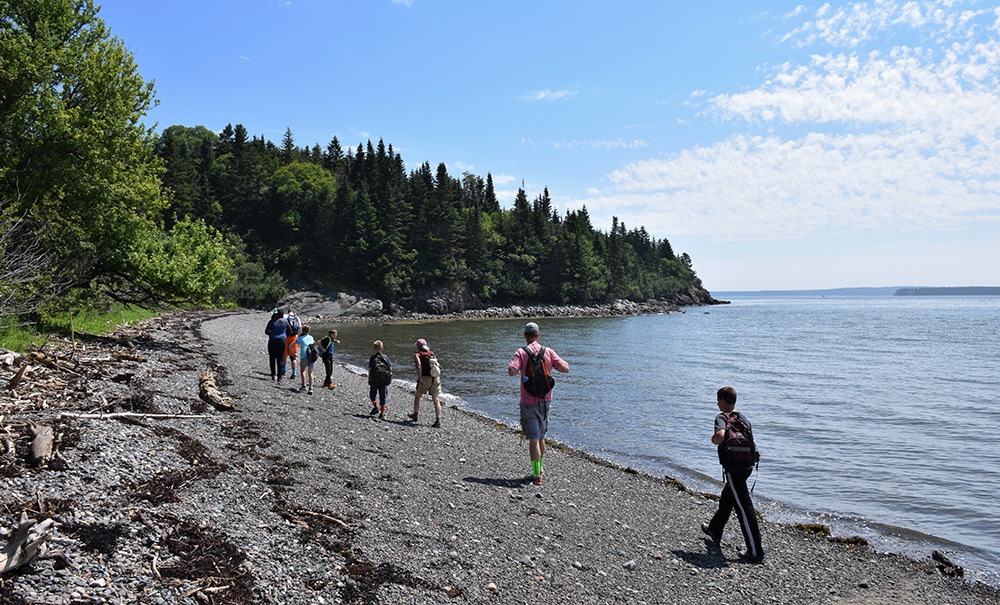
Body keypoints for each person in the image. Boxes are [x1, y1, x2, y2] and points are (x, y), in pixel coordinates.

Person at [701, 386, 764, 563]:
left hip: (734, 467)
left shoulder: (721, 417)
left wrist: (714, 439)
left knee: (744, 506)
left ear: (722, 400)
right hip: (748, 465)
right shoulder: (743, 418)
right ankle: (715, 529)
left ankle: (755, 551)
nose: (717, 403)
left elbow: (720, 437)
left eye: (718, 400)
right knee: (728, 496)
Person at [507, 322, 569, 485]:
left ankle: (536, 475)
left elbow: (512, 371)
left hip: (528, 401)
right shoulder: (547, 351)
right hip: (546, 400)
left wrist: (514, 367)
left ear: (525, 336)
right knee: (541, 436)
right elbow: (565, 368)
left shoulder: (521, 352)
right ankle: (540, 469)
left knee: (533, 438)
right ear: (538, 335)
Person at [409, 339, 442, 427]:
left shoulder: (417, 354)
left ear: (418, 346)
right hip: (435, 378)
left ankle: (415, 415)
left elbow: (419, 365)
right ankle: (437, 420)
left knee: (418, 396)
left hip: (425, 378)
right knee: (436, 400)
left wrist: (420, 378)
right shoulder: (432, 354)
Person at [368, 340, 392, 419]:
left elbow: (370, 369)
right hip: (384, 380)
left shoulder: (373, 358)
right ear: (382, 348)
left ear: (374, 349)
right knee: (383, 396)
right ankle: (382, 413)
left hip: (375, 379)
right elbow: (390, 368)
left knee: (372, 394)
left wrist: (369, 378)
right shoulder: (385, 357)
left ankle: (375, 407)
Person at [264, 309, 287, 382]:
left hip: (273, 340)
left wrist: (272, 334)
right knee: (280, 359)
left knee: (272, 358)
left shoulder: (271, 322)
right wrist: (283, 335)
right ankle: (280, 377)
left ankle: (273, 374)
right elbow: (290, 332)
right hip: (282, 341)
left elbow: (266, 331)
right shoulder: (285, 322)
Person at [295, 325, 316, 394]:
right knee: (310, 372)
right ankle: (311, 388)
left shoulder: (300, 338)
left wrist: (293, 353)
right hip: (312, 356)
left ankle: (304, 385)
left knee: (302, 371)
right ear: (309, 331)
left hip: (304, 356)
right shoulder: (311, 337)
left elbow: (291, 345)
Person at [284, 308, 302, 379]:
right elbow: (299, 329)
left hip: (286, 337)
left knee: (284, 354)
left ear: (288, 311)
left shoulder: (285, 316)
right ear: (294, 312)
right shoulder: (297, 318)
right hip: (294, 338)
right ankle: (294, 372)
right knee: (293, 356)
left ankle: (284, 369)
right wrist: (298, 338)